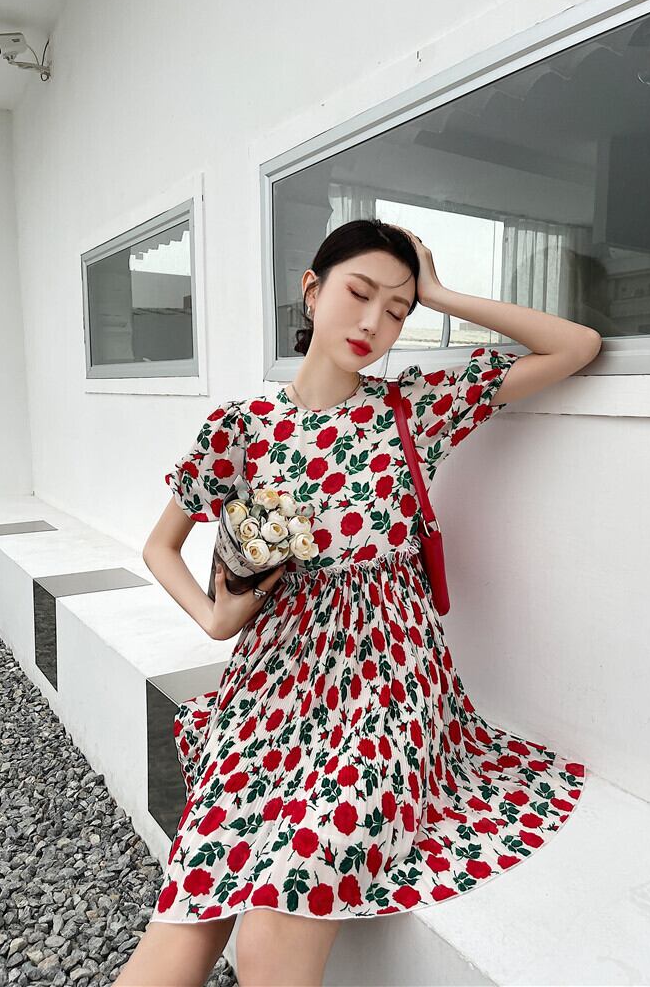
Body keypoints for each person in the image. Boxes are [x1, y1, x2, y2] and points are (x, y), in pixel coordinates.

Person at [116, 218, 598, 987]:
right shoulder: (241, 429)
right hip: (271, 688)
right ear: (312, 291)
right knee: (191, 908)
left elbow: (574, 346)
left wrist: (441, 294)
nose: (375, 322)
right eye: (360, 293)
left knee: (279, 912)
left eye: (398, 310)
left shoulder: (412, 409)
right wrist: (212, 617)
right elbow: (160, 546)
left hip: (387, 689)